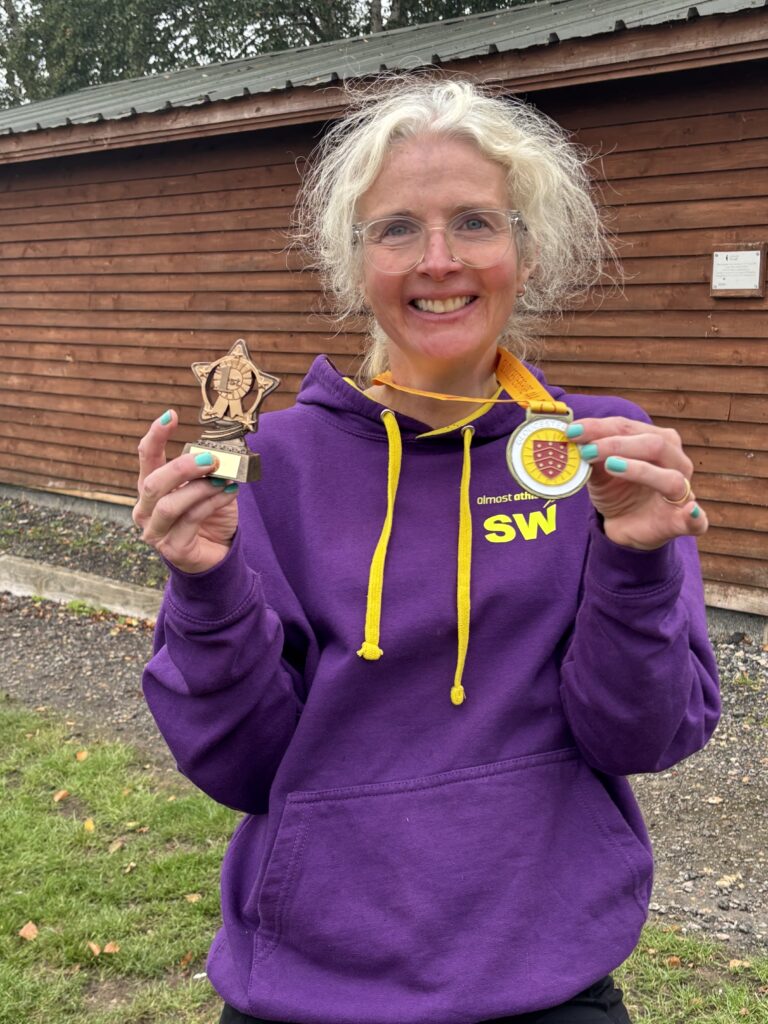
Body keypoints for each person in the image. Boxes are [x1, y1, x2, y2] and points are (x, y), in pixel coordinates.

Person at [133, 78, 720, 1024]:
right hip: (308, 988)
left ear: (526, 253)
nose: (438, 261)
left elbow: (643, 736)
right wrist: (205, 590)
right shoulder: (266, 467)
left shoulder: (599, 455)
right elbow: (239, 767)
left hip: (547, 984)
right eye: (396, 228)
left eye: (477, 222)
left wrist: (637, 560)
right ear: (353, 263)